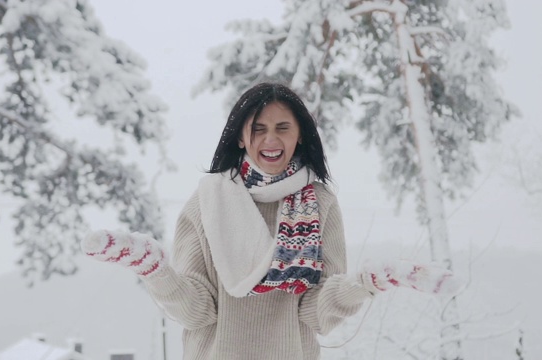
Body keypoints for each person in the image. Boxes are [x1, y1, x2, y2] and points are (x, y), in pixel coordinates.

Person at [81, 82, 459, 360]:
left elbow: (316, 311)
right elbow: (198, 311)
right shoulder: (207, 202)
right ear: (241, 138)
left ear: (299, 136)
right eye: (258, 128)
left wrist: (365, 284)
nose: (270, 139)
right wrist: (156, 271)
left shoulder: (320, 204)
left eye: (282, 128)